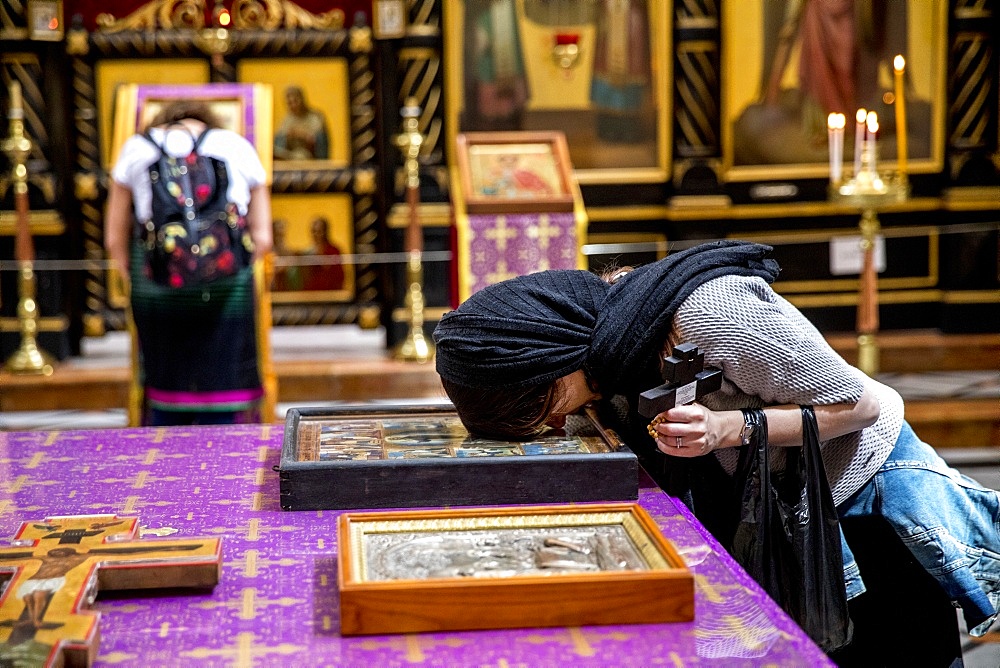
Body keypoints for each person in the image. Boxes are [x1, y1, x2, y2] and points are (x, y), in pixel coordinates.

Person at [432, 240, 1000, 645]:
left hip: (863, 500)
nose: (558, 425)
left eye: (545, 407)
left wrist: (729, 428)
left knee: (892, 647)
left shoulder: (711, 313)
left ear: (553, 357)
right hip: (778, 509)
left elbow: (859, 403)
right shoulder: (608, 357)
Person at [104, 100, 273, 426]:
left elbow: (115, 240)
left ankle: (167, 452)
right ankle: (228, 453)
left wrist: (136, 275)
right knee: (225, 379)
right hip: (227, 283)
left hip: (158, 283)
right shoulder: (235, 145)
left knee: (167, 380)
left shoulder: (137, 147)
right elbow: (263, 238)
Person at [274, 86, 330, 160]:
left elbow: (317, 138)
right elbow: (281, 137)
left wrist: (300, 134)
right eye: (290, 103)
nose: (293, 105)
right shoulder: (287, 120)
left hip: (309, 155)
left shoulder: (314, 117)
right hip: (290, 154)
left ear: (302, 99)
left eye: (296, 101)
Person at [303, 216, 345, 291]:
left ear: (325, 232)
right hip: (312, 293)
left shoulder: (334, 250)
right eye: (313, 231)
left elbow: (339, 275)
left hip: (330, 293)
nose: (315, 234)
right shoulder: (307, 252)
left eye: (319, 231)